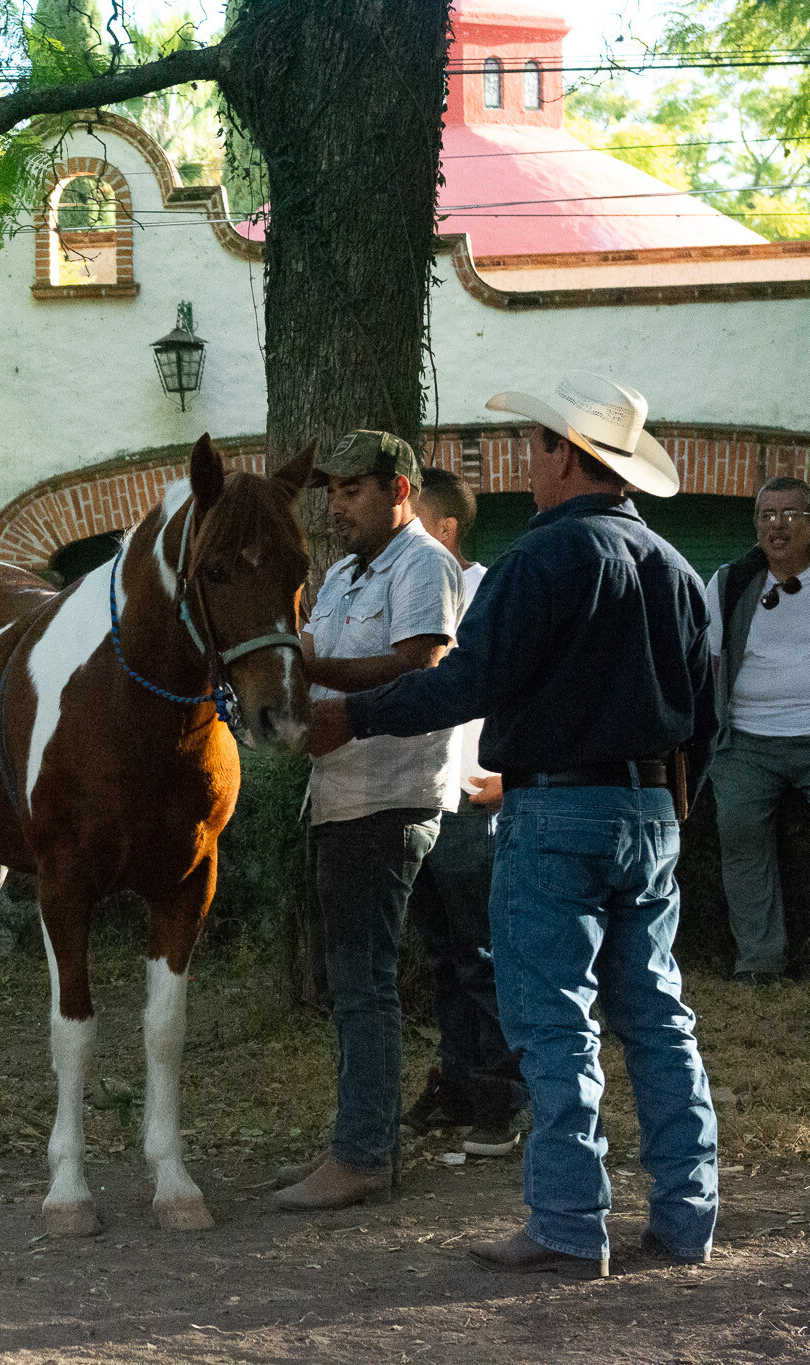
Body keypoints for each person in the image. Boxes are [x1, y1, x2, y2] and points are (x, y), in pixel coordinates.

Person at [312, 371, 721, 1278]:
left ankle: (572, 1223)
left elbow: (465, 684)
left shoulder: (542, 560)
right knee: (657, 1014)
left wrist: (353, 716)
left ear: (564, 457)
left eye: (537, 444)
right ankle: (689, 1217)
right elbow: (707, 719)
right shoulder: (681, 573)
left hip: (553, 807)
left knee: (552, 1020)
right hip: (652, 812)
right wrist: (666, 808)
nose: (527, 462)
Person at [273, 431, 463, 1212]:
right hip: (344, 796)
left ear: (399, 491)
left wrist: (310, 673)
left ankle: (362, 1154)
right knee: (354, 982)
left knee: (364, 986)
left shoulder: (423, 563)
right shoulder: (348, 573)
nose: (334, 504)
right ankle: (361, 1144)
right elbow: (311, 643)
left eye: (352, 488)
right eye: (329, 489)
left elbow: (418, 664)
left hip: (389, 799)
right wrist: (274, 653)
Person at [403, 467, 528, 1157]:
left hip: (474, 798)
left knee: (483, 955)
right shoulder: (410, 591)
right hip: (419, 799)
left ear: (445, 527)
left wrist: (512, 776)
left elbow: (525, 690)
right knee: (443, 956)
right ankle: (457, 1085)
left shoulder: (489, 592)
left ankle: (501, 1098)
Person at [703, 476, 810, 988]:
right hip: (749, 739)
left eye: (790, 514)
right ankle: (758, 960)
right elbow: (707, 663)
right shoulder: (730, 581)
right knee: (737, 828)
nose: (777, 525)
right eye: (766, 515)